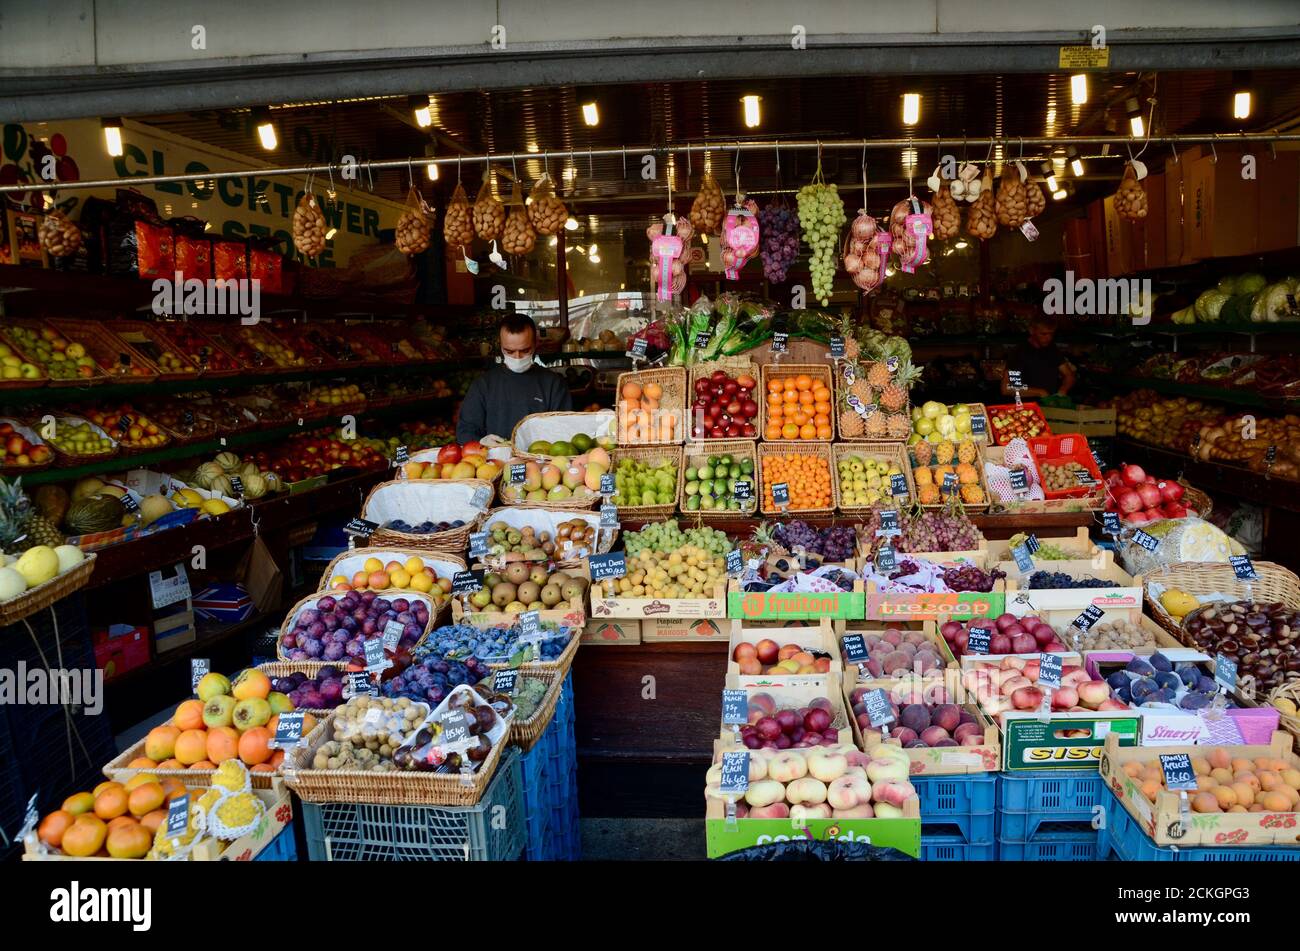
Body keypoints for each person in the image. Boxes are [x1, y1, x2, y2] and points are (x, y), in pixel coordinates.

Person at [455, 313, 572, 443]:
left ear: (535, 344)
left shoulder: (553, 384)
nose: (517, 357)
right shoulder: (483, 385)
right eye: (509, 351)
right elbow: (465, 431)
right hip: (494, 461)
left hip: (539, 460)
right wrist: (480, 443)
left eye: (525, 350)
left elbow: (564, 431)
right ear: (500, 346)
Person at [1002, 315, 1076, 400]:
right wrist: (1039, 392)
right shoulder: (1019, 352)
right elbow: (1007, 388)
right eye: (1043, 334)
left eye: (1051, 334)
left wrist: (1062, 391)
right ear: (1032, 331)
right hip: (1026, 406)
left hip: (1049, 404)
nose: (1049, 338)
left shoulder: (1052, 349)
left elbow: (1069, 375)